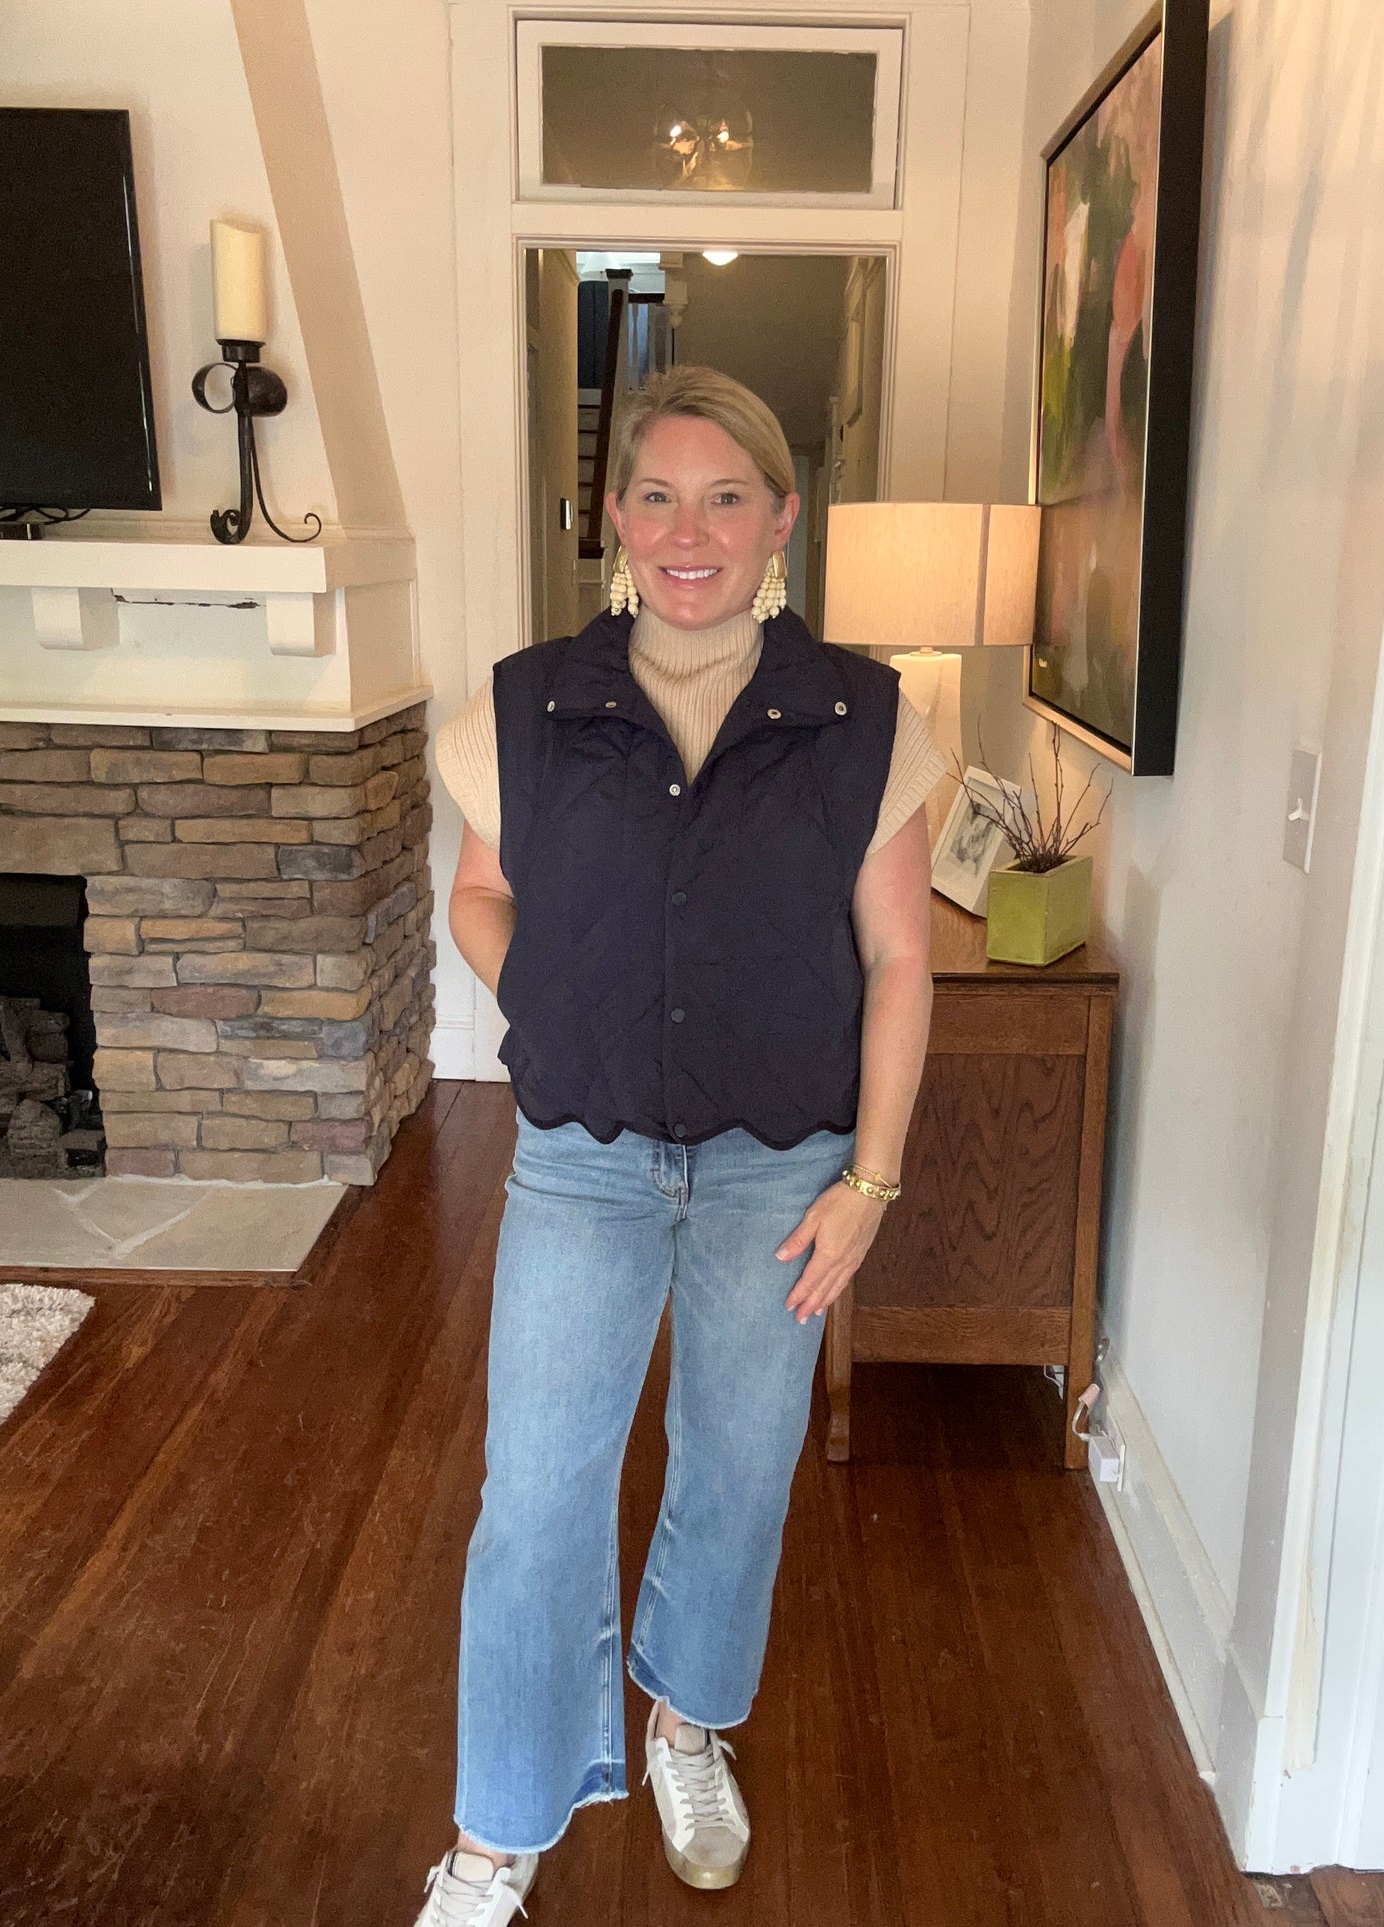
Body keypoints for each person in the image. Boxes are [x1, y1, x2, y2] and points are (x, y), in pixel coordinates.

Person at [420, 366, 945, 1925]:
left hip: (784, 1171)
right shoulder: (523, 708)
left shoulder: (864, 720)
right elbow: (479, 897)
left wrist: (873, 1183)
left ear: (781, 518)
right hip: (580, 1160)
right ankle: (496, 1835)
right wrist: (573, 1010)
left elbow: (903, 960)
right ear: (612, 519)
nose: (687, 529)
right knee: (536, 1493)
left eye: (726, 496)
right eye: (655, 495)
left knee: (736, 1463)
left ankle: (685, 1725)